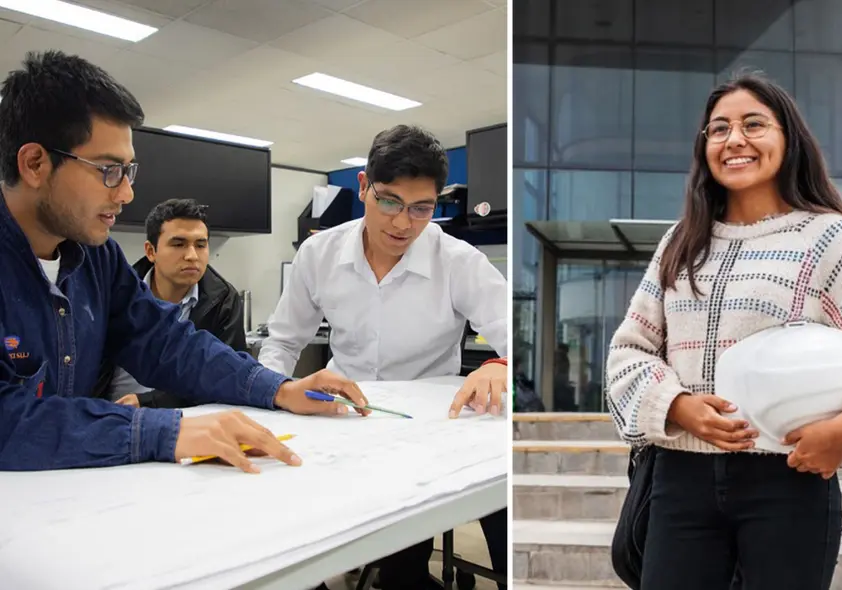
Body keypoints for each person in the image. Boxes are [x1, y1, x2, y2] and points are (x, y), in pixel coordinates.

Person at [605, 73, 842, 590]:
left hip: (788, 480)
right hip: (679, 478)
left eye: (754, 124)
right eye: (718, 129)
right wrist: (677, 405)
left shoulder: (828, 238)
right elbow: (628, 350)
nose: (734, 140)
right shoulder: (682, 241)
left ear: (788, 139)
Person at [0, 50, 370, 474]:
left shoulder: (95, 258)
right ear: (34, 164)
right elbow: (9, 420)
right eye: (108, 171)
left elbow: (166, 342)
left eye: (128, 172)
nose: (125, 194)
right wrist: (164, 431)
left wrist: (280, 388)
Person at [258, 124, 507, 590]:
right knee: (282, 528)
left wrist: (500, 364)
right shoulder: (319, 253)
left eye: (420, 209)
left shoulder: (458, 261)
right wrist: (272, 393)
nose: (401, 223)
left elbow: (520, 338)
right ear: (363, 188)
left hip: (426, 429)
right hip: (342, 418)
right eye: (389, 201)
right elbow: (283, 341)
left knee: (436, 537)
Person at [91, 198, 247, 409]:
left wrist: (148, 402)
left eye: (200, 245)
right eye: (178, 244)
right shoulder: (117, 291)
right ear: (150, 251)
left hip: (183, 419)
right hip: (108, 415)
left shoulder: (223, 301)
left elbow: (226, 381)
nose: (192, 256)